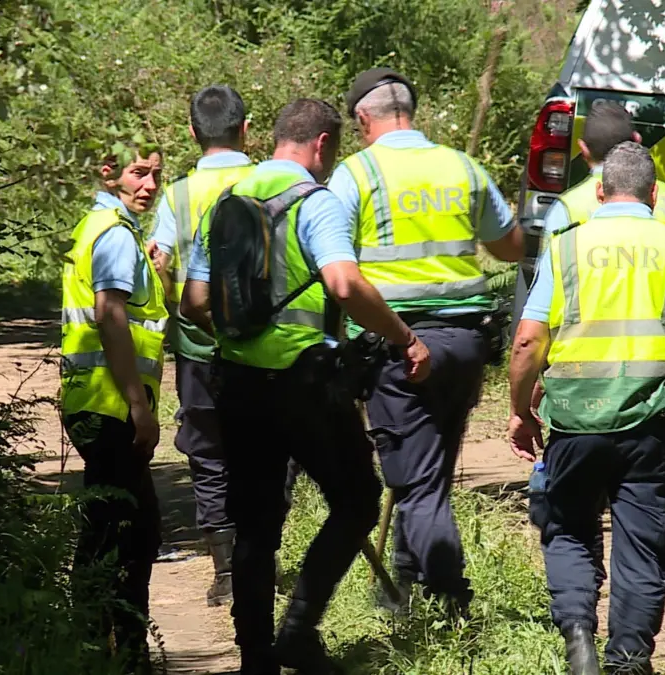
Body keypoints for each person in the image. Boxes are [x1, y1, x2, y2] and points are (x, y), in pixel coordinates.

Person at [180, 98, 431, 675]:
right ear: (321, 145)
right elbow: (344, 283)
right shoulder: (314, 203)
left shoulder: (225, 201)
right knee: (357, 500)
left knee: (256, 526)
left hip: (238, 383)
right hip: (306, 384)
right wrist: (403, 336)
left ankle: (255, 658)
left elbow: (193, 302)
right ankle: (298, 628)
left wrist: (243, 333)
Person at [508, 142, 665, 675]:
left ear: (602, 191)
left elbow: (526, 342)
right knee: (643, 539)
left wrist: (521, 410)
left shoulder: (566, 245)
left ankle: (578, 636)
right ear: (655, 194)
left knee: (567, 527)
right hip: (655, 420)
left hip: (575, 415)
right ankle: (630, 659)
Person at [328, 67, 524, 615]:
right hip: (465, 343)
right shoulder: (462, 166)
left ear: (364, 119)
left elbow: (335, 267)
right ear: (410, 112)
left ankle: (453, 601)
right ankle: (403, 590)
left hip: (400, 345)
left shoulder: (355, 174)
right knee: (430, 472)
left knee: (417, 485)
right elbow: (509, 247)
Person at [59, 147, 167, 674]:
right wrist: (137, 405)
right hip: (110, 406)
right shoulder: (116, 235)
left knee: (111, 531)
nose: (148, 184)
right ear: (107, 172)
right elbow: (109, 315)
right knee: (131, 535)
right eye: (137, 173)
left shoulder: (102, 227)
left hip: (94, 402)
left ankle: (93, 648)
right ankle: (123, 654)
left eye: (155, 175)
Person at [149, 85, 255, 603]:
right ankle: (262, 559)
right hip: (265, 347)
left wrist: (173, 306)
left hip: (198, 347)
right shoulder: (269, 182)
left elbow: (160, 263)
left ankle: (225, 571)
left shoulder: (179, 194)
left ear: (193, 132)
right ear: (246, 128)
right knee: (262, 450)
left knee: (209, 455)